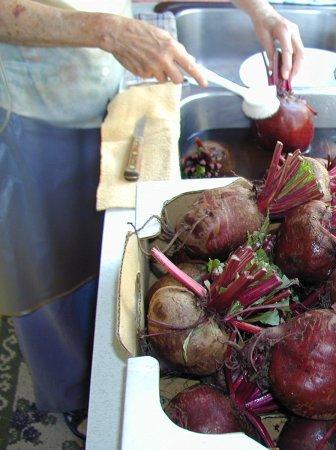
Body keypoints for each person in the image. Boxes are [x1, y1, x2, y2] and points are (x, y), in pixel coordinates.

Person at [0, 0, 304, 439]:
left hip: (107, 79)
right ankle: (74, 395)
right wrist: (107, 31)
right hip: (31, 101)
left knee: (100, 255)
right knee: (49, 261)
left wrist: (260, 9)